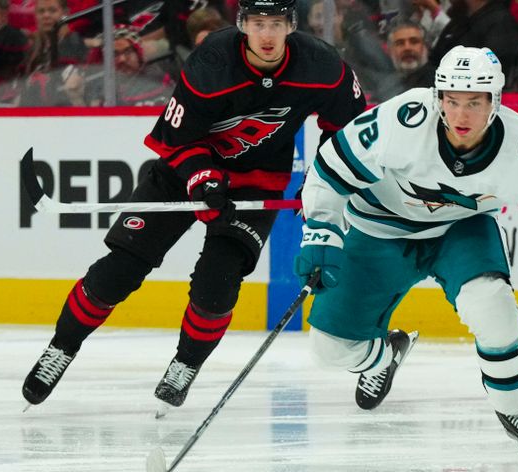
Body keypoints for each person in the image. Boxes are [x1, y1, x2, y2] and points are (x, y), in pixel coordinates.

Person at [21, 0, 366, 414]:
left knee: (216, 287)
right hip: (182, 172)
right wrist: (202, 176)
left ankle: (185, 364)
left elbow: (347, 128)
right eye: (259, 24)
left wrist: (323, 183)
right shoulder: (212, 62)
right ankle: (61, 347)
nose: (268, 35)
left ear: (291, 24)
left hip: (255, 183)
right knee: (119, 270)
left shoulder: (322, 66)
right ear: (243, 25)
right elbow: (176, 137)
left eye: (277, 23)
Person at [293, 46, 518, 463]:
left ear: (495, 102)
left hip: (459, 229)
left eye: (474, 103)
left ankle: (516, 412)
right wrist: (322, 232)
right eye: (452, 101)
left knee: (492, 305)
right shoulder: (403, 120)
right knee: (328, 350)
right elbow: (329, 171)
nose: (461, 115)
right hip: (378, 226)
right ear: (437, 97)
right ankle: (385, 355)